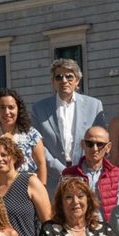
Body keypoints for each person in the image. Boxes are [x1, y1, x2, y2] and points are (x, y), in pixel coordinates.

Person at [30, 58, 107, 193]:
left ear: (77, 80)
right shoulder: (39, 108)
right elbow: (38, 145)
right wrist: (62, 171)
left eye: (69, 76)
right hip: (53, 178)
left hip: (86, 175)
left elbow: (101, 142)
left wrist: (81, 170)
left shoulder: (94, 106)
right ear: (53, 81)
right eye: (59, 77)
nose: (64, 81)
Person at [0, 88, 46, 183]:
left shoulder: (32, 134)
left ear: (18, 109)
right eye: (2, 107)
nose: (7, 112)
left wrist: (42, 187)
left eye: (11, 107)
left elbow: (41, 164)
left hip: (27, 186)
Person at [62, 126, 119, 222]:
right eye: (90, 144)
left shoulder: (118, 175)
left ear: (108, 147)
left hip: (107, 228)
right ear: (82, 144)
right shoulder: (68, 174)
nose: (94, 148)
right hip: (78, 227)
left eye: (100, 144)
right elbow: (62, 207)